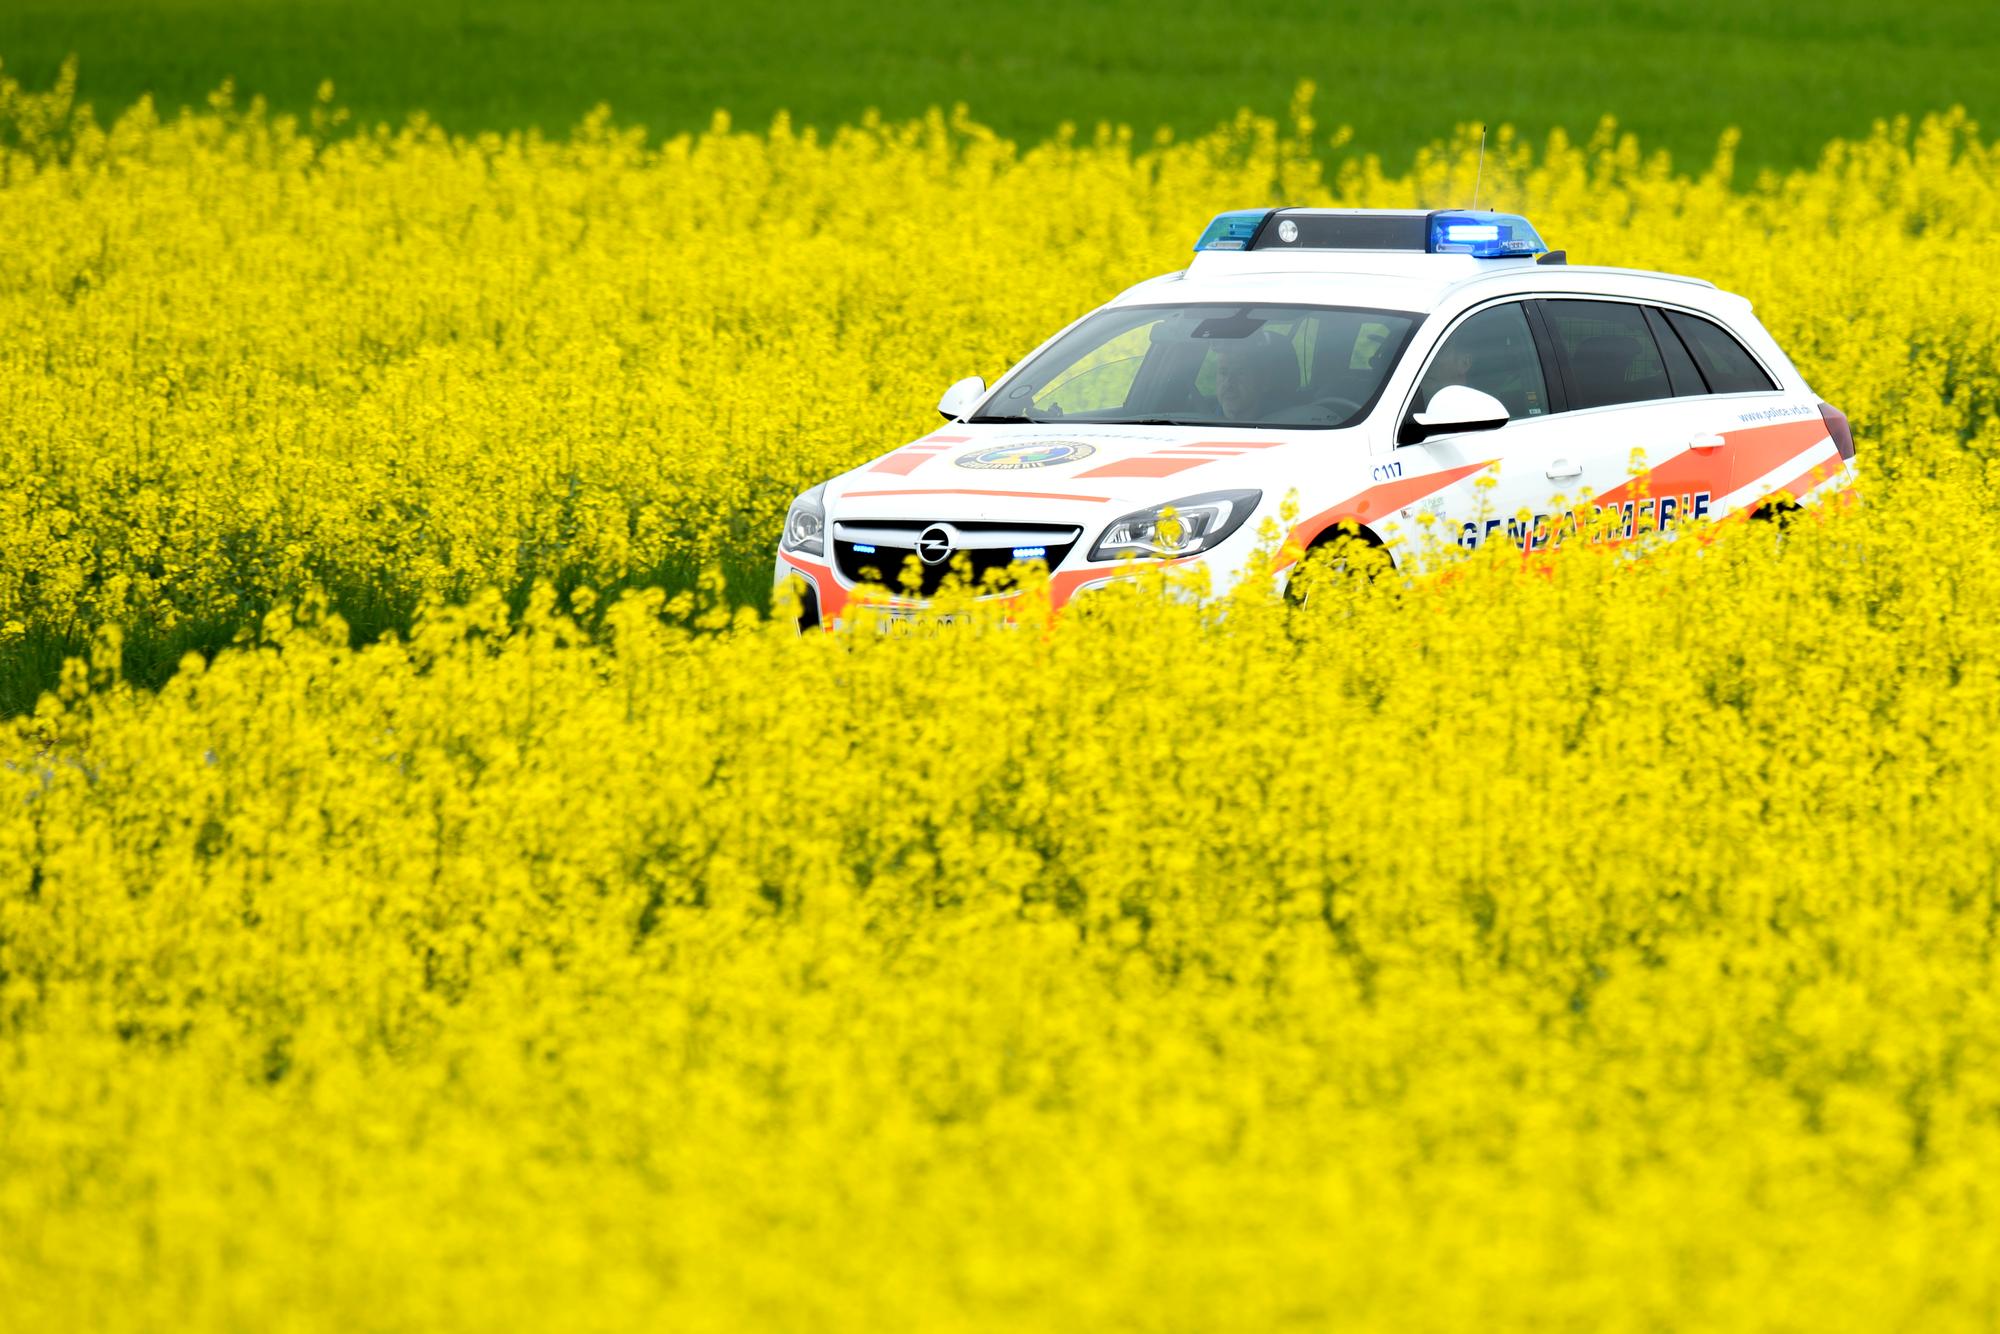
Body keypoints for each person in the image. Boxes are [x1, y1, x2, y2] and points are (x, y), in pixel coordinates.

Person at [1214, 331, 1299, 422]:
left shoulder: (1291, 423)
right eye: (1223, 372)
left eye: (1240, 372)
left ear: (1265, 381)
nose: (1228, 382)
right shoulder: (1205, 419)